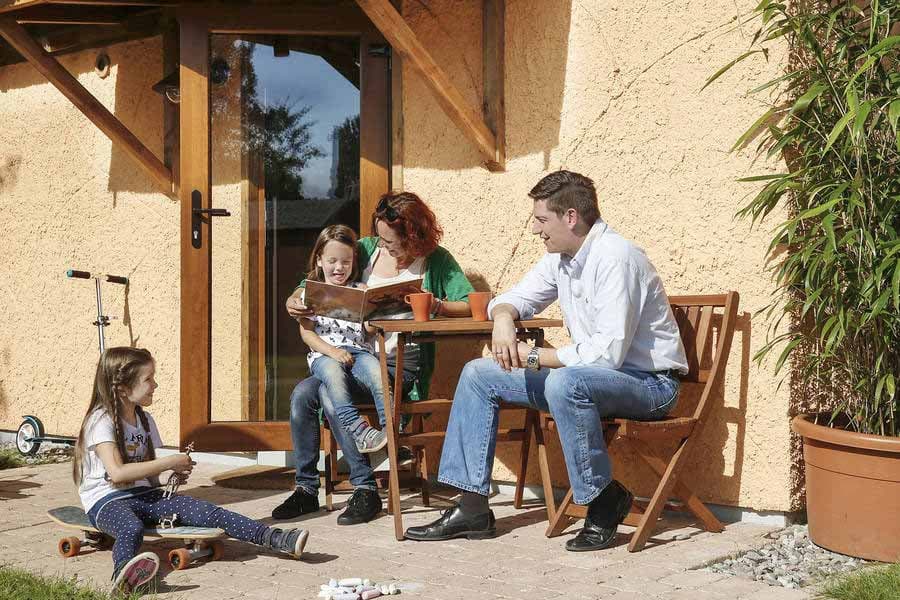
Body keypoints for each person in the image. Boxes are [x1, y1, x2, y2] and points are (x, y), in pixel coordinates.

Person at [404, 170, 688, 552]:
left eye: (541, 220)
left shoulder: (617, 259)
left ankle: (602, 500)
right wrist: (503, 318)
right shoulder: (563, 258)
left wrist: (534, 356)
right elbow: (514, 297)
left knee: (564, 381)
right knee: (478, 374)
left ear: (570, 217)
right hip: (591, 379)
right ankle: (471, 508)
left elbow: (607, 356)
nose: (536, 230)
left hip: (649, 385)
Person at [272, 191, 474, 525]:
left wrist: (431, 303)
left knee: (324, 392)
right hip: (352, 355)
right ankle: (306, 490)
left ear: (414, 236)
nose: (383, 246)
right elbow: (312, 282)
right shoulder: (365, 248)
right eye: (380, 238)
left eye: (392, 242)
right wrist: (295, 300)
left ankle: (365, 489)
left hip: (399, 362)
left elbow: (467, 303)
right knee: (301, 396)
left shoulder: (436, 260)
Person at [73, 347, 309, 594]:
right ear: (122, 388)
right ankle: (125, 576)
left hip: (143, 495)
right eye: (148, 379)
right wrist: (170, 462)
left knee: (208, 511)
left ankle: (276, 538)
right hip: (106, 500)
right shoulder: (101, 420)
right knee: (130, 528)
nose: (155, 384)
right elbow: (118, 473)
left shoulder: (145, 420)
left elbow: (150, 476)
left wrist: (172, 476)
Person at [301, 224, 389, 453]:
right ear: (319, 260)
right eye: (332, 261)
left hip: (359, 351)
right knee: (333, 375)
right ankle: (359, 430)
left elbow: (367, 331)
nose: (339, 268)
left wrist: (372, 316)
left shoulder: (360, 289)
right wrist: (333, 352)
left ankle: (392, 434)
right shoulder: (311, 292)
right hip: (325, 354)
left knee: (379, 376)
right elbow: (306, 332)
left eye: (346, 262)